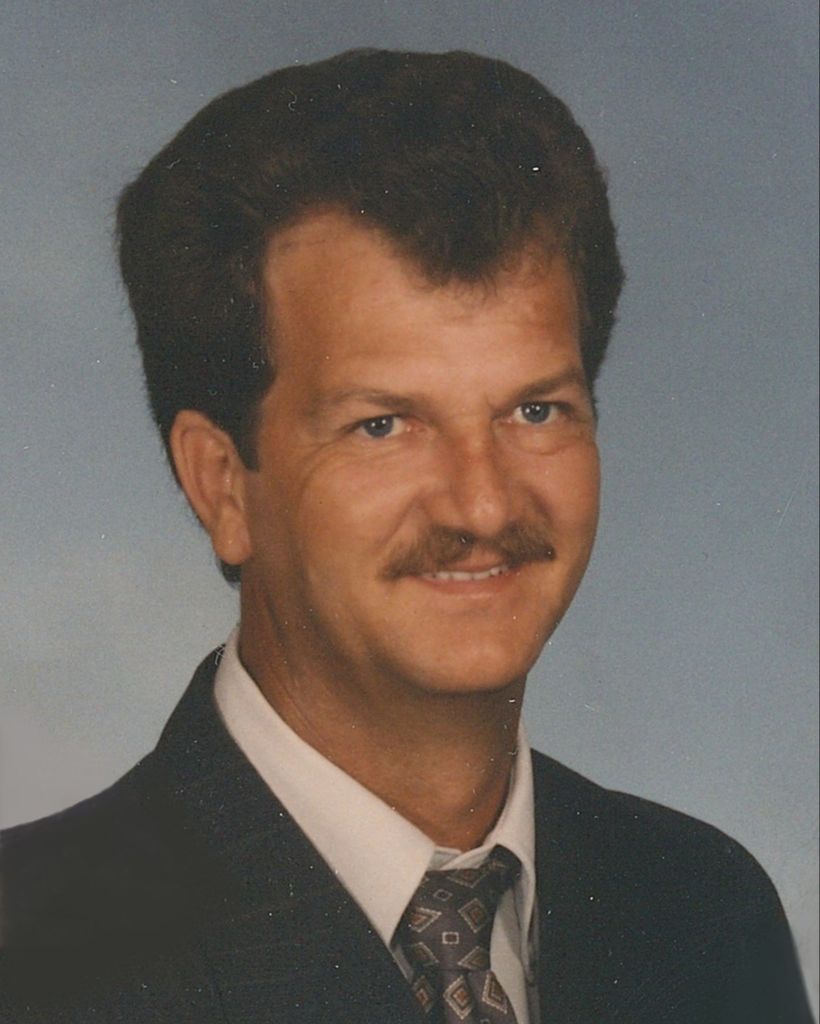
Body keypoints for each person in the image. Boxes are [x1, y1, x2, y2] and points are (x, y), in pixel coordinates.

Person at [0, 48, 812, 1023]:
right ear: (221, 484)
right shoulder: (31, 963)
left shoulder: (704, 914)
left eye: (536, 411)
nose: (482, 507)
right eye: (383, 425)